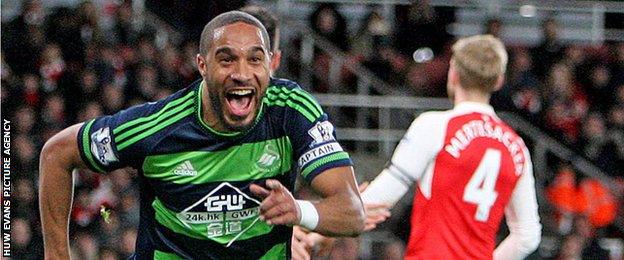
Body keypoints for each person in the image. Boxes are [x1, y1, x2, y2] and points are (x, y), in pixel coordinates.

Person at [39, 11, 365, 259]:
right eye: (227, 59)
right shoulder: (157, 127)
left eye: (255, 59)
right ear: (202, 65)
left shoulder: (291, 110)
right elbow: (57, 154)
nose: (241, 73)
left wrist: (300, 211)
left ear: (271, 64)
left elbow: (352, 213)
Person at [361, 35, 542, 259]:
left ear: (453, 73)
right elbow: (528, 236)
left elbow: (384, 194)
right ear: (498, 81)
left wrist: (320, 223)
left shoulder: (435, 126)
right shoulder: (517, 146)